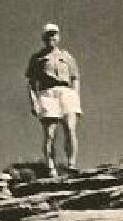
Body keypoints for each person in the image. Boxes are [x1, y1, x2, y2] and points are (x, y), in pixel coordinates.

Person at [25, 22, 81, 177]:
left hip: (66, 91)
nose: (51, 37)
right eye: (48, 35)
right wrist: (34, 101)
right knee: (50, 133)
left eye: (54, 34)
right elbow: (31, 83)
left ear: (58, 37)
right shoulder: (37, 58)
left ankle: (71, 163)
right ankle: (51, 167)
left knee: (70, 128)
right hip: (47, 93)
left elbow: (75, 77)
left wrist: (75, 95)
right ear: (44, 38)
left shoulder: (67, 56)